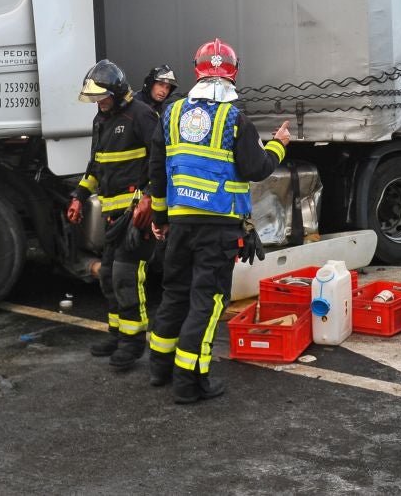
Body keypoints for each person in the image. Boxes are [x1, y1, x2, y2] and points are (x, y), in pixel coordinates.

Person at [146, 38, 291, 404]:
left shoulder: (172, 114)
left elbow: (157, 170)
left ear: (197, 70)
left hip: (179, 224)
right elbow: (256, 169)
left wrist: (160, 217)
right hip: (219, 227)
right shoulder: (233, 118)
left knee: (175, 295)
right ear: (233, 72)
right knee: (206, 303)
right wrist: (279, 145)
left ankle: (159, 370)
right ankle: (190, 383)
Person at [66, 60, 160, 369]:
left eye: (102, 97)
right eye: (95, 98)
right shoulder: (101, 119)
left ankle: (133, 342)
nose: (99, 103)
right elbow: (96, 165)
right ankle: (118, 333)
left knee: (126, 276)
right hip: (112, 215)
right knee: (107, 276)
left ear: (117, 92)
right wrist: (79, 196)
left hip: (136, 215)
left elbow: (161, 161)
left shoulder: (142, 115)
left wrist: (148, 197)